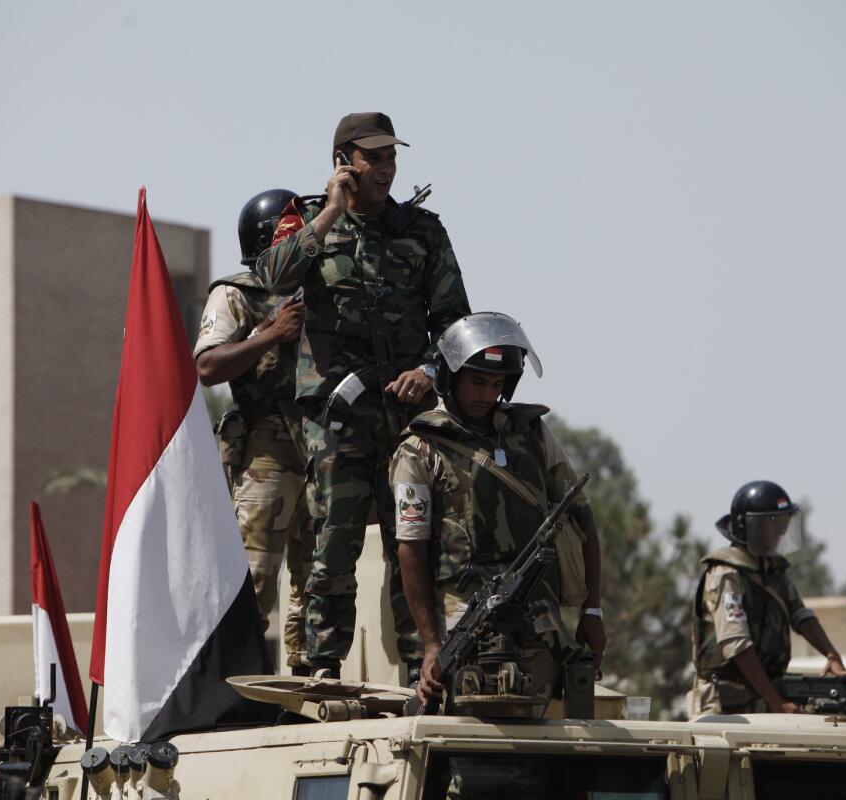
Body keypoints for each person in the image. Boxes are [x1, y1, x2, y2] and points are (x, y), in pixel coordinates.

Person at [257, 112, 471, 676]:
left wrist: (428, 370)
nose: (386, 168)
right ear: (343, 161)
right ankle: (323, 667)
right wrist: (330, 211)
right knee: (336, 544)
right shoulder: (305, 221)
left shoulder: (422, 231)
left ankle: (420, 665)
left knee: (414, 541)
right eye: (373, 157)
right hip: (337, 417)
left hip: (406, 420)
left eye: (392, 157)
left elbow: (454, 323)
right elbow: (272, 277)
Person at [388, 312, 606, 708]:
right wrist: (433, 645)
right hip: (465, 622)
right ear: (450, 377)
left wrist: (593, 610)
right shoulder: (419, 448)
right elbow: (411, 548)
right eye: (477, 381)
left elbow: (582, 517)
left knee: (546, 725)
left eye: (497, 383)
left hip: (539, 620)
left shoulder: (532, 433)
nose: (486, 394)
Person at [194, 188, 314, 674]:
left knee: (317, 578)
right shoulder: (236, 292)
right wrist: (270, 333)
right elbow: (207, 365)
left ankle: (307, 677)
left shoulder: (323, 291)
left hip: (323, 449)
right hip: (267, 448)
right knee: (255, 576)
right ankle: (226, 681)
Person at [689, 480, 846, 715]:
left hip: (763, 700)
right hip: (724, 707)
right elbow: (737, 644)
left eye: (783, 524)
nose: (780, 532)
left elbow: (800, 614)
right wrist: (777, 702)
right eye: (771, 524)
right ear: (747, 527)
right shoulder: (726, 574)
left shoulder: (773, 571)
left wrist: (832, 656)